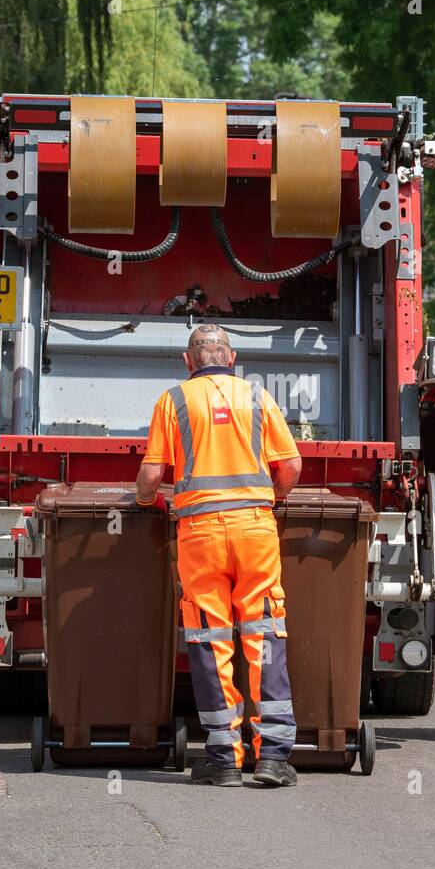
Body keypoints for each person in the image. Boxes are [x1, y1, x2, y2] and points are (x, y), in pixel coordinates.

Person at [135, 324, 302, 786]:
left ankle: (223, 759)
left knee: (210, 640)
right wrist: (274, 496)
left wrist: (147, 501)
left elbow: (151, 474)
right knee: (264, 631)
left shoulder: (174, 400)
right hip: (255, 528)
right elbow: (290, 466)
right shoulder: (257, 396)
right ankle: (272, 757)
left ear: (189, 363)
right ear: (231, 358)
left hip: (200, 534)